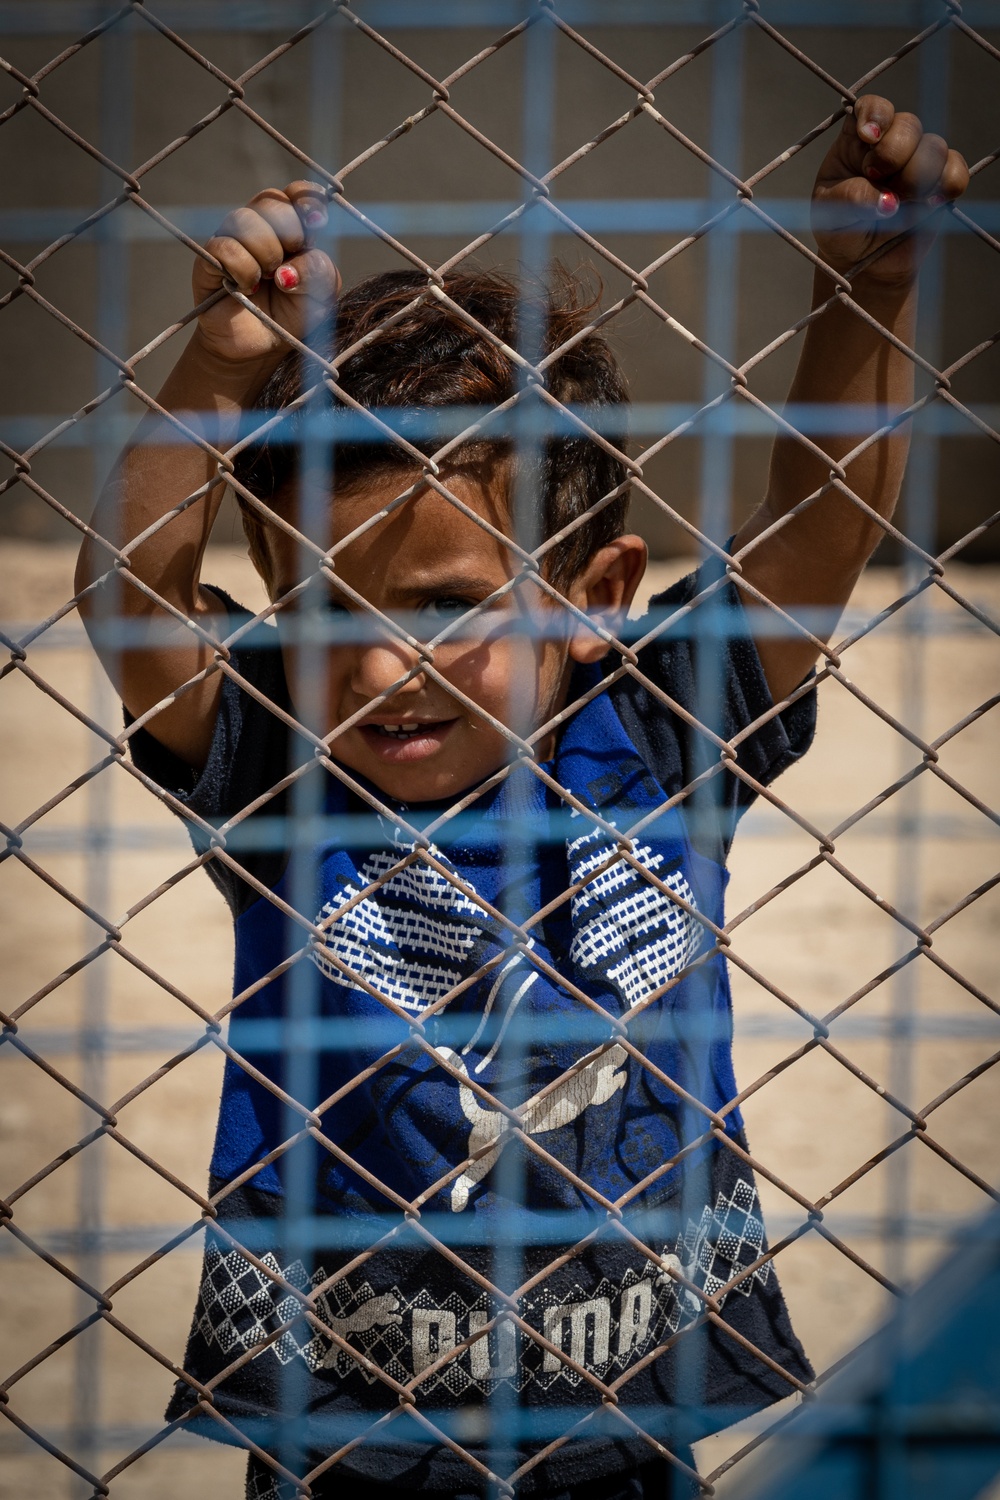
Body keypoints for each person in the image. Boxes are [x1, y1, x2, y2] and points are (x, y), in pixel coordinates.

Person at [76, 96, 966, 1499]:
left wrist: (872, 295)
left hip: (623, 1426)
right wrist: (217, 364)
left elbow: (819, 527)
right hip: (340, 1442)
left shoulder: (661, 735)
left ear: (597, 597)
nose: (378, 666)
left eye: (444, 606)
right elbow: (130, 604)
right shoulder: (283, 775)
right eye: (319, 611)